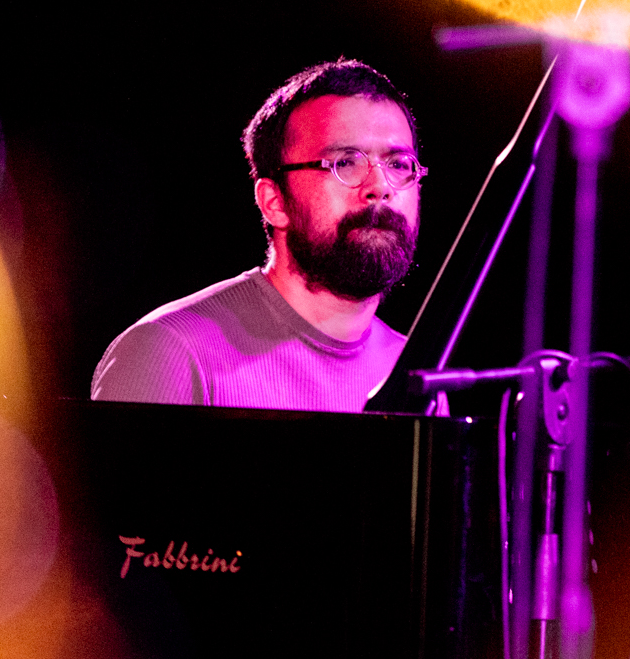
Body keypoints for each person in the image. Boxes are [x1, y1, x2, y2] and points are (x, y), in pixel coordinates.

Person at [91, 59, 424, 410]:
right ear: (274, 201)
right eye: (344, 162)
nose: (379, 187)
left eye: (399, 164)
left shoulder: (415, 376)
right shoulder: (169, 353)